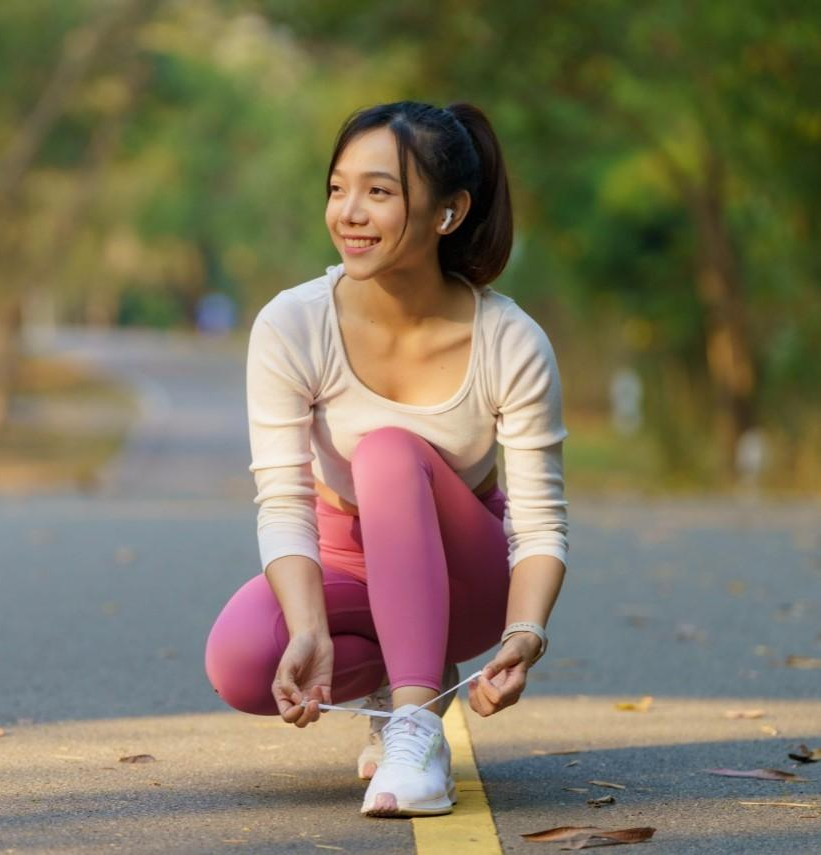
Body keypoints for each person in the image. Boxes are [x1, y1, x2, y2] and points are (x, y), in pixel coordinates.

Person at [204, 101, 568, 818]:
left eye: (379, 191)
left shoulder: (511, 341)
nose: (349, 213)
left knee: (389, 452)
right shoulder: (292, 323)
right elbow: (283, 502)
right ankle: (405, 672)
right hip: (349, 567)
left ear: (448, 212)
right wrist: (307, 626)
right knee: (242, 662)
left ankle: (414, 728)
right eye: (338, 189)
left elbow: (539, 524)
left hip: (468, 580)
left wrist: (525, 633)